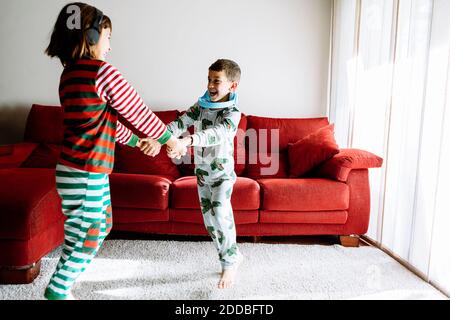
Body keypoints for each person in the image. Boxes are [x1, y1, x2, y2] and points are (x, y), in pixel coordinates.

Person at [43, 2, 185, 300]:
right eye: (107, 37)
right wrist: (169, 140)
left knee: (98, 225)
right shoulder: (101, 73)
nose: (109, 47)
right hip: (86, 172)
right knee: (89, 236)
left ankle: (62, 282)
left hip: (77, 171)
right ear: (90, 37)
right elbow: (137, 111)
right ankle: (58, 290)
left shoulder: (69, 76)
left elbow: (102, 124)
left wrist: (137, 142)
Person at [140, 59, 244, 289]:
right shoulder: (202, 106)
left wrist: (188, 140)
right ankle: (230, 255)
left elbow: (216, 134)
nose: (210, 85)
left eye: (217, 81)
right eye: (209, 79)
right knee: (210, 221)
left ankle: (230, 262)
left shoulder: (233, 113)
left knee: (220, 211)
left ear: (232, 86)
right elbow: (181, 122)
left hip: (222, 176)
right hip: (202, 174)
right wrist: (159, 139)